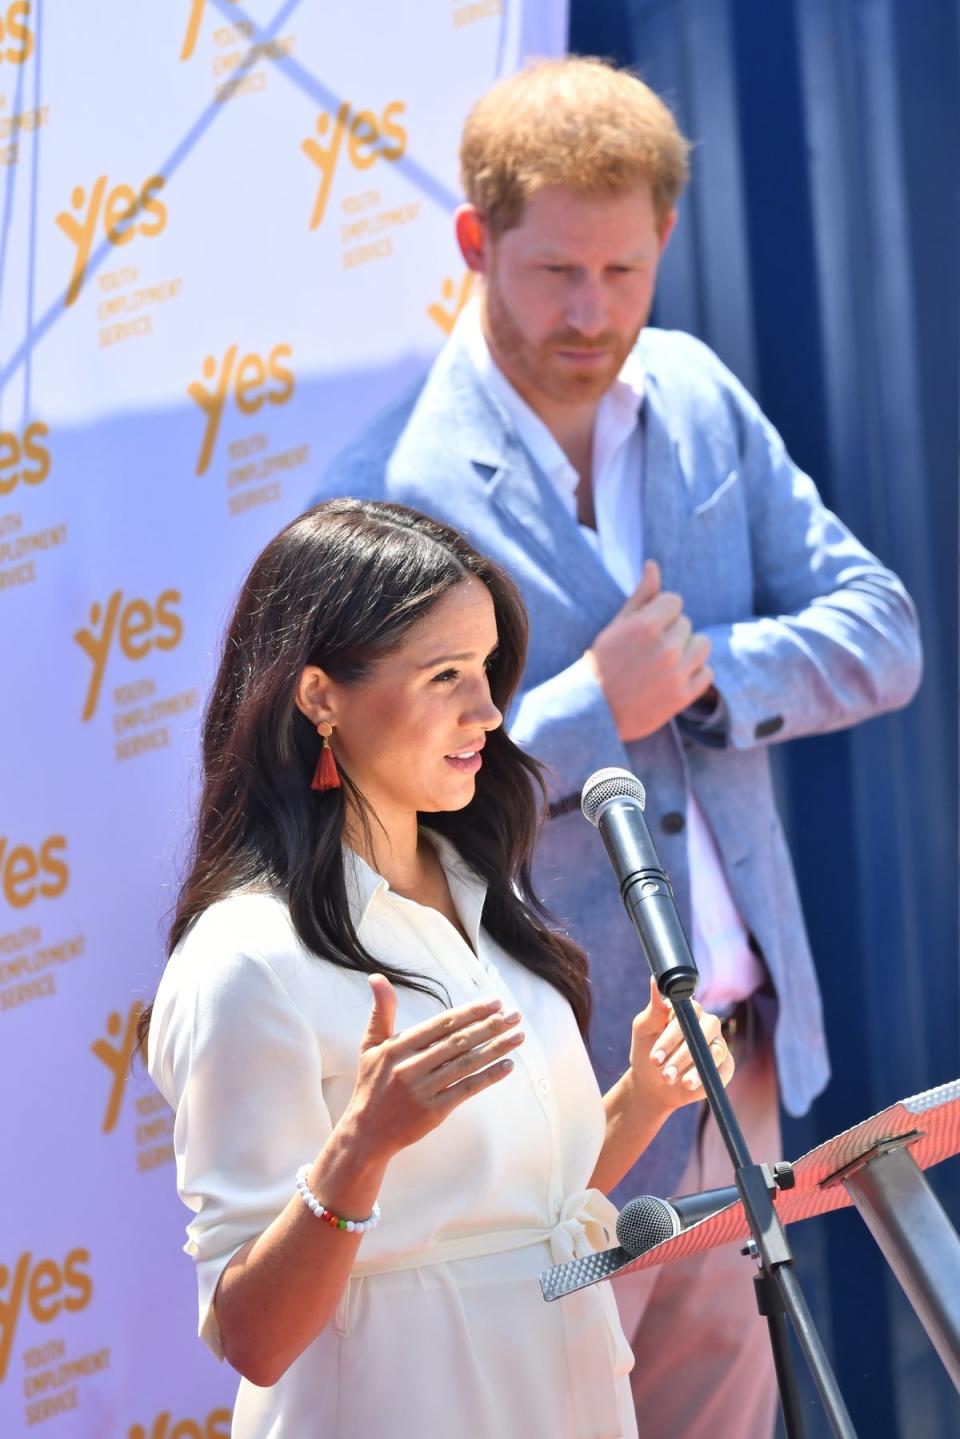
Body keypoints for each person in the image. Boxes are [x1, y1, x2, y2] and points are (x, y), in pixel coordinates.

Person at [318, 57, 923, 1438]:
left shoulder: (698, 394)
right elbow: (367, 805)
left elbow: (884, 629)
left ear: (663, 245)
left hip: (738, 1048)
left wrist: (710, 674)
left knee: (730, 1408)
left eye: (626, 271)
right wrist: (595, 704)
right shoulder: (387, 487)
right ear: (475, 246)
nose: (594, 314)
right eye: (554, 273)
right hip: (547, 1089)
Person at [141, 498, 735, 1439]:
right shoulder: (242, 957)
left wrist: (643, 1100)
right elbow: (253, 1335)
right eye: (446, 675)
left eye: (490, 670)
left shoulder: (482, 890)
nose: (489, 712)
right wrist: (360, 1149)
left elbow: (527, 1207)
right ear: (319, 695)